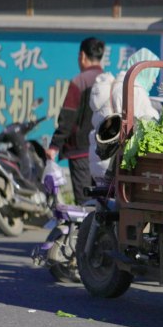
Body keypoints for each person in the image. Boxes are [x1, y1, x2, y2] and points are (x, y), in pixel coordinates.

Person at [88, 48, 161, 186]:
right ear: (145, 70)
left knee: (103, 203)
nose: (154, 79)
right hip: (116, 163)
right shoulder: (135, 91)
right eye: (153, 73)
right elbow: (150, 123)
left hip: (99, 158)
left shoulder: (110, 85)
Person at [47, 37, 105, 205]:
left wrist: (54, 146)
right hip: (104, 154)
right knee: (102, 203)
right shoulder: (108, 80)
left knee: (85, 204)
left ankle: (86, 232)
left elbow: (67, 117)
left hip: (81, 152)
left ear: (82, 56)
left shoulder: (79, 81)